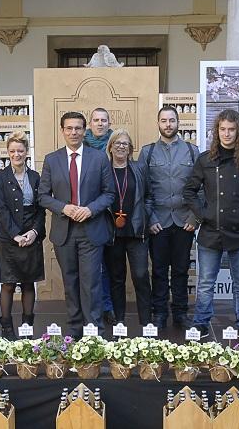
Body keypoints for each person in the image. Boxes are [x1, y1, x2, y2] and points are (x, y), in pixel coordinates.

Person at [184, 109, 239, 340]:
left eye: (231, 129)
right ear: (216, 132)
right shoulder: (205, 159)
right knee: (206, 282)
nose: (226, 134)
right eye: (222, 129)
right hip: (210, 231)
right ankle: (200, 323)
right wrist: (203, 213)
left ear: (238, 132)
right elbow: (189, 191)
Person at [38, 112, 115, 338]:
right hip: (64, 231)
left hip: (91, 230)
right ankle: (74, 330)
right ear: (62, 130)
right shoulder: (52, 160)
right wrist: (64, 207)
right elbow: (42, 195)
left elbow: (109, 193)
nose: (74, 132)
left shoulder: (99, 158)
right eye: (69, 128)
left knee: (91, 283)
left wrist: (90, 209)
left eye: (78, 128)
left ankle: (94, 333)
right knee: (70, 283)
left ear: (85, 131)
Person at [138, 106, 198, 329]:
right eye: (164, 121)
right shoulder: (148, 152)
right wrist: (150, 218)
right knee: (159, 271)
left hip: (184, 222)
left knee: (181, 270)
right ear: (158, 123)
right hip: (158, 222)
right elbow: (142, 190)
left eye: (172, 120)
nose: (168, 125)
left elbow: (200, 188)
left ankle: (180, 313)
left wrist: (195, 217)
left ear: (178, 123)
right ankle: (160, 312)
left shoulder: (192, 151)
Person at [0, 131, 45, 340]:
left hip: (31, 237)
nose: (16, 154)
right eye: (12, 151)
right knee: (8, 284)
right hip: (8, 239)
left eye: (20, 150)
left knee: (28, 283)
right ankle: (6, 328)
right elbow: (0, 210)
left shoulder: (35, 177)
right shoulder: (0, 177)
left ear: (27, 152)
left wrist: (33, 233)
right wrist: (15, 235)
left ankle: (27, 326)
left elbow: (41, 209)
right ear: (7, 152)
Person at [103, 129, 152, 326]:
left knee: (140, 276)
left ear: (130, 149)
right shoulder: (103, 170)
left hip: (136, 232)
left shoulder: (139, 168)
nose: (121, 146)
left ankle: (146, 323)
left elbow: (149, 195)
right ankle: (120, 323)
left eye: (125, 143)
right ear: (111, 147)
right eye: (117, 143)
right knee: (116, 278)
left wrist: (146, 216)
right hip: (111, 233)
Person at [83, 107, 116, 324]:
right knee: (93, 269)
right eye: (96, 120)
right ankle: (96, 309)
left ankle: (110, 307)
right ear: (90, 124)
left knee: (110, 266)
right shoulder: (80, 145)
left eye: (104, 120)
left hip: (113, 212)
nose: (100, 123)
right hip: (89, 214)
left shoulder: (117, 144)